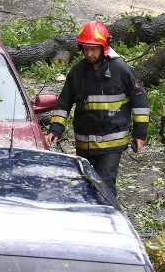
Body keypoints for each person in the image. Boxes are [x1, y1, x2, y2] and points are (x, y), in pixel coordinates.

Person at [45, 20, 149, 195]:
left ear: (104, 48)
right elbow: (64, 102)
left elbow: (141, 103)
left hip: (111, 144)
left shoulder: (121, 70)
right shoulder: (77, 72)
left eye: (93, 49)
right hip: (84, 143)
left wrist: (140, 135)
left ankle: (109, 216)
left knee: (105, 186)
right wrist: (55, 129)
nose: (89, 53)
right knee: (85, 186)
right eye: (85, 49)